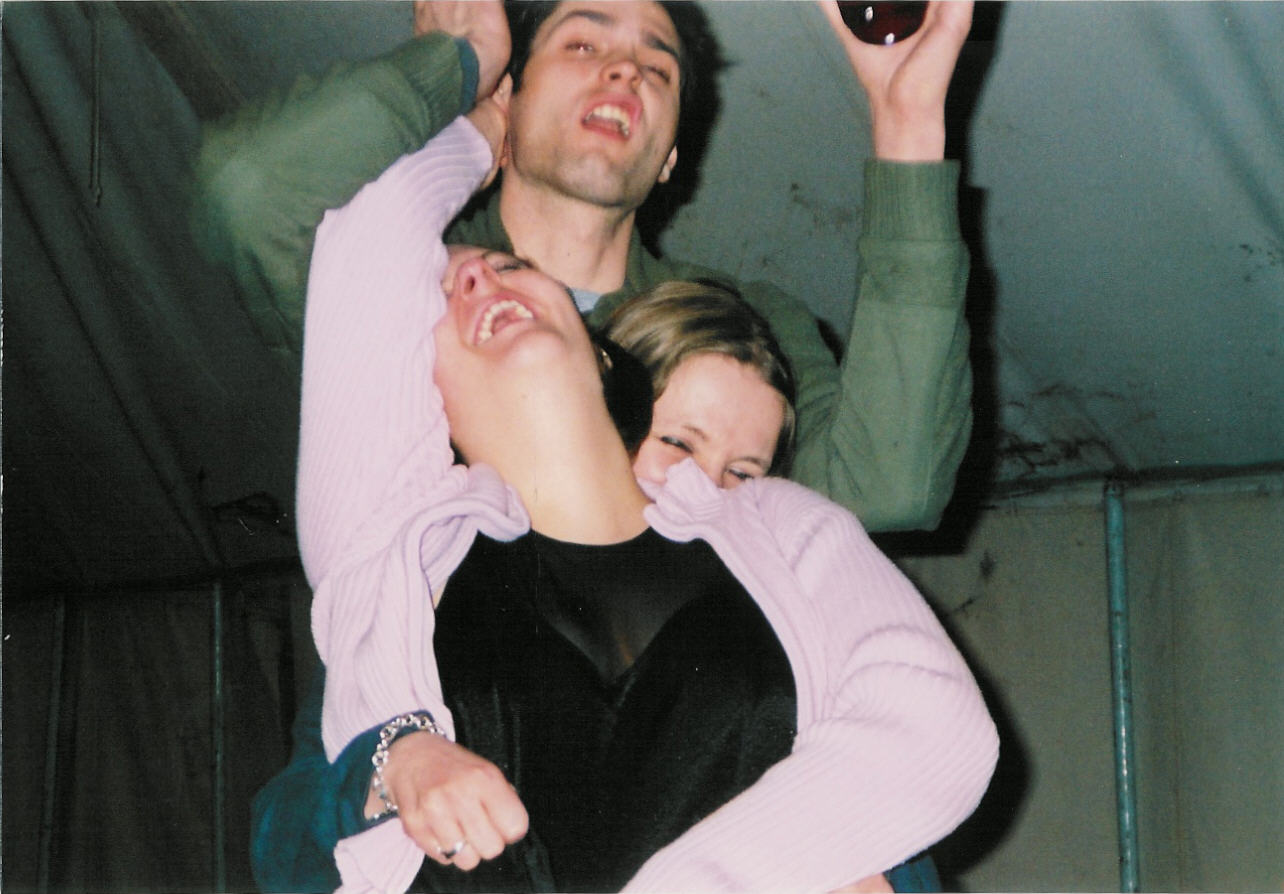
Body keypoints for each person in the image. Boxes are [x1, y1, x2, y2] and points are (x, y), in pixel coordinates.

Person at [250, 96, 997, 892]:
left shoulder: (782, 533)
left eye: (744, 470)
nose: (701, 485)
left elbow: (924, 742)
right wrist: (395, 760)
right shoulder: (406, 560)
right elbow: (288, 839)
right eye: (679, 443)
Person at [192, 0, 975, 533]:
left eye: (658, 69)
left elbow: (890, 487)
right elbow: (250, 192)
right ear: (511, 98)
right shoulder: (411, 275)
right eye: (583, 45)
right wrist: (457, 71)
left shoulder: (740, 325)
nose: (627, 71)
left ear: (669, 158)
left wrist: (906, 118)